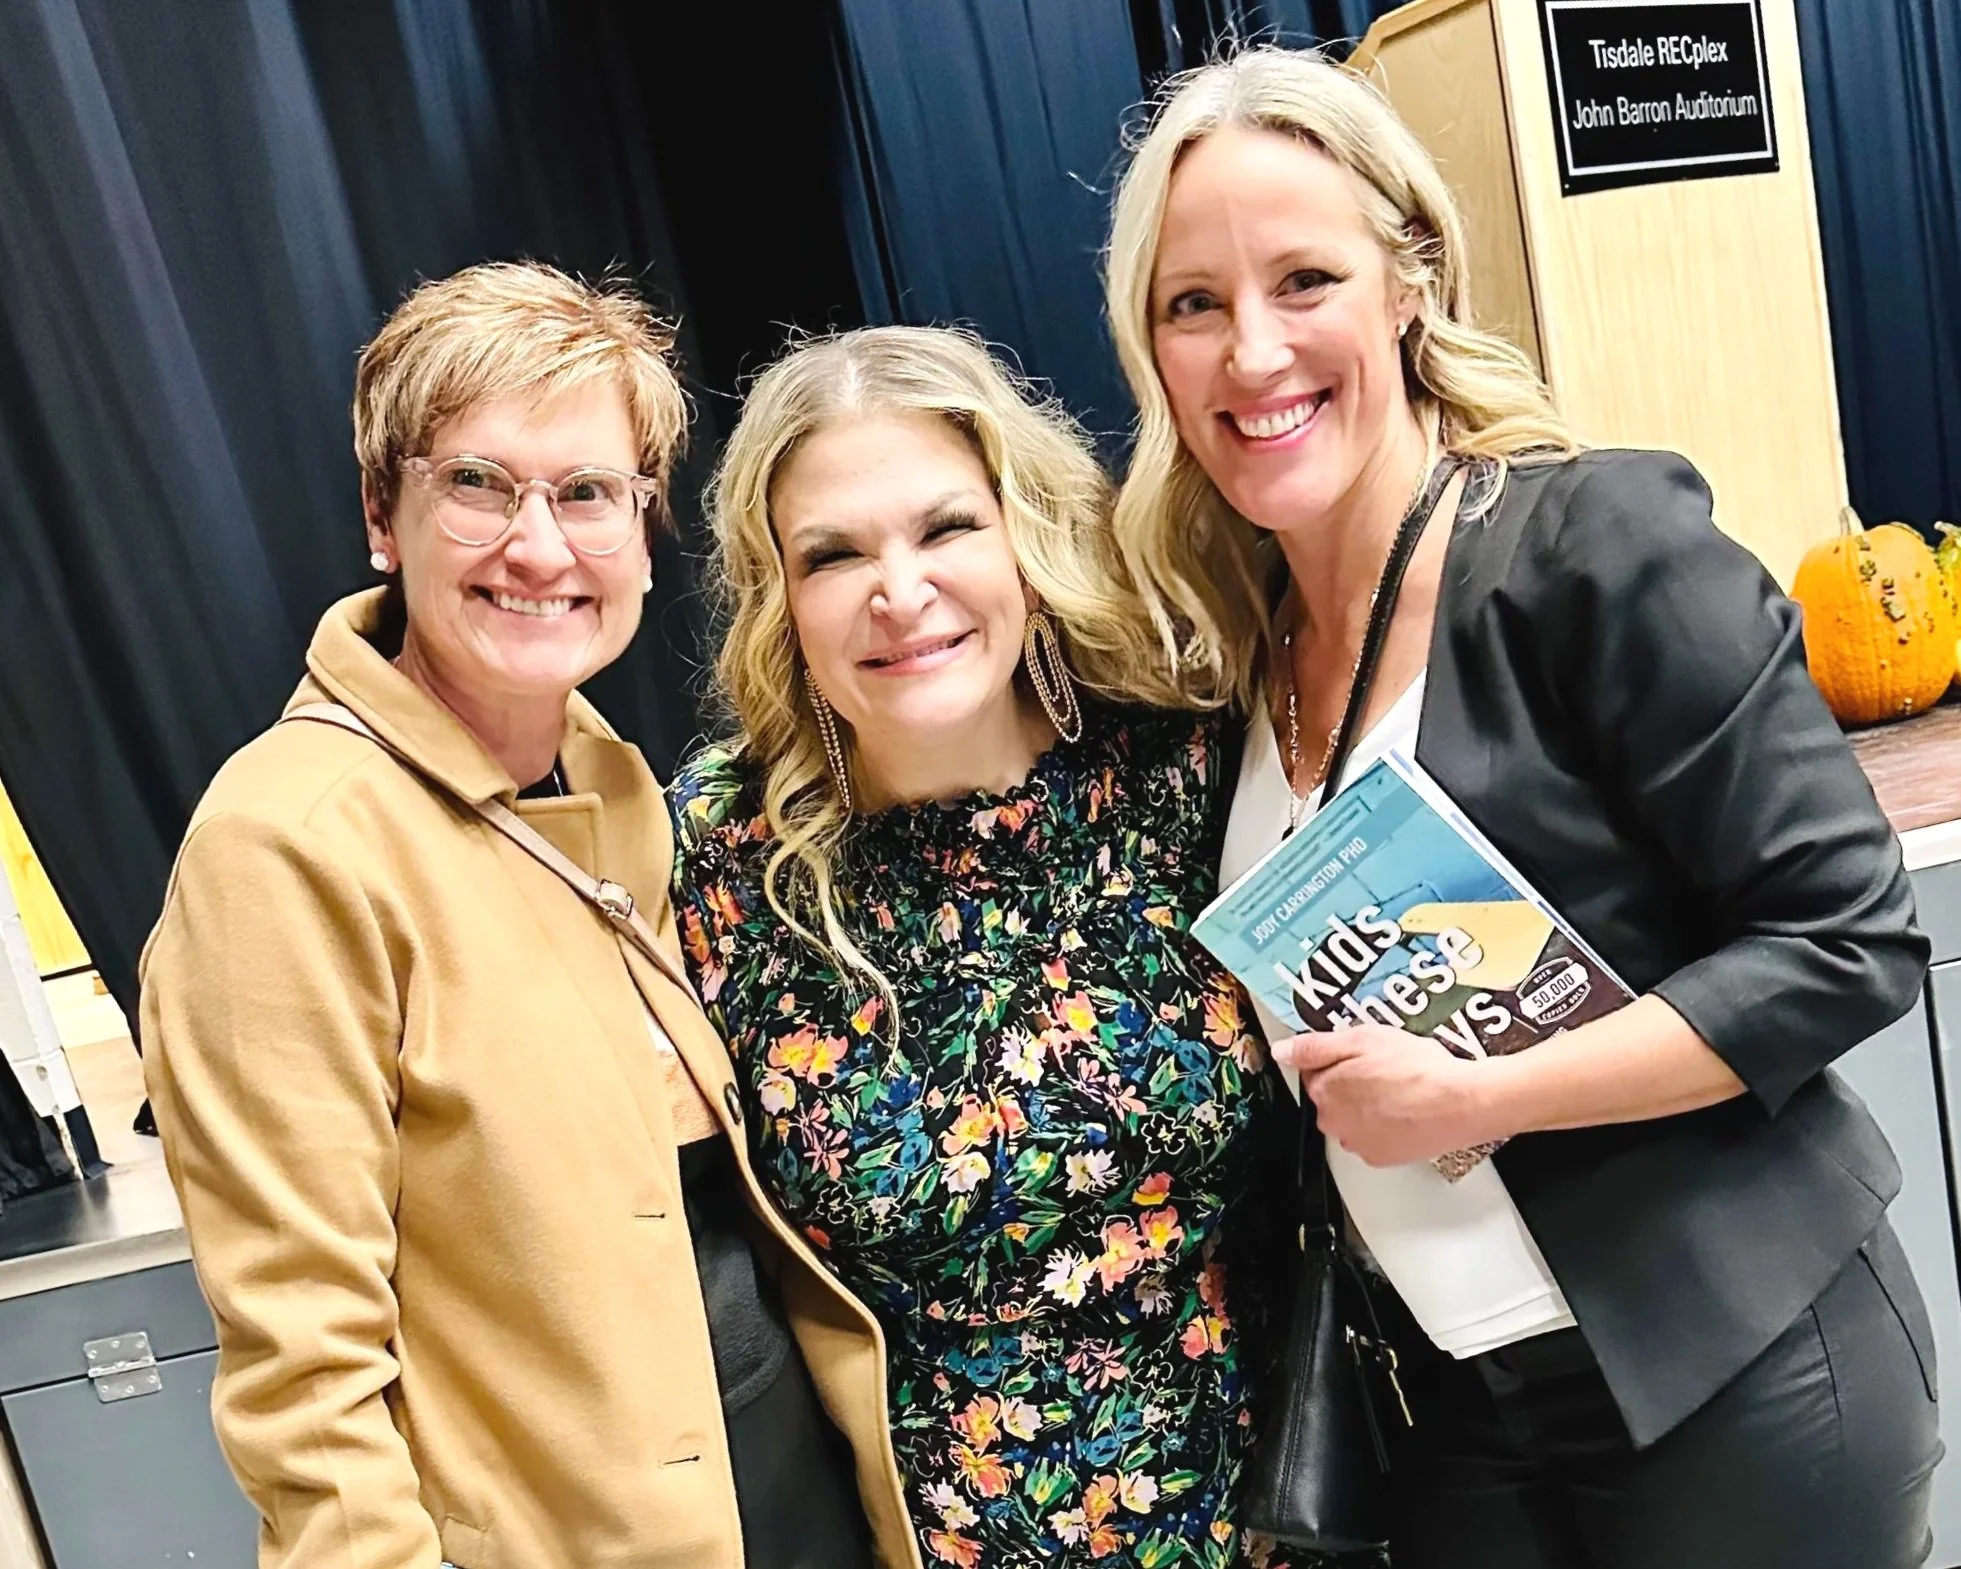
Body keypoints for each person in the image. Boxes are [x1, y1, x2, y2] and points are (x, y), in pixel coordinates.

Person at [1102, 46, 1941, 1569]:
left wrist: (1482, 1099)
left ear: (1408, 281)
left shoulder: (1590, 547)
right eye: (1192, 305)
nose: (1253, 352)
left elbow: (1843, 942)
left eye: (1304, 279)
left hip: (1732, 1370)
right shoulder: (1219, 647)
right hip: (1447, 1413)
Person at [139, 262, 908, 1569]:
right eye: (478, 485)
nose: (539, 547)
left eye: (588, 494)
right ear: (386, 513)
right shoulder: (288, 842)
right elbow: (302, 1375)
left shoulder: (606, 780)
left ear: (646, 533)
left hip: (778, 1494)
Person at [669, 325, 1307, 1569]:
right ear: (778, 598)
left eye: (944, 527)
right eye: (832, 554)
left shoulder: (1182, 761)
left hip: (1276, 1514)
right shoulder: (718, 853)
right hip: (932, 1537)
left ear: (1023, 535)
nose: (897, 591)